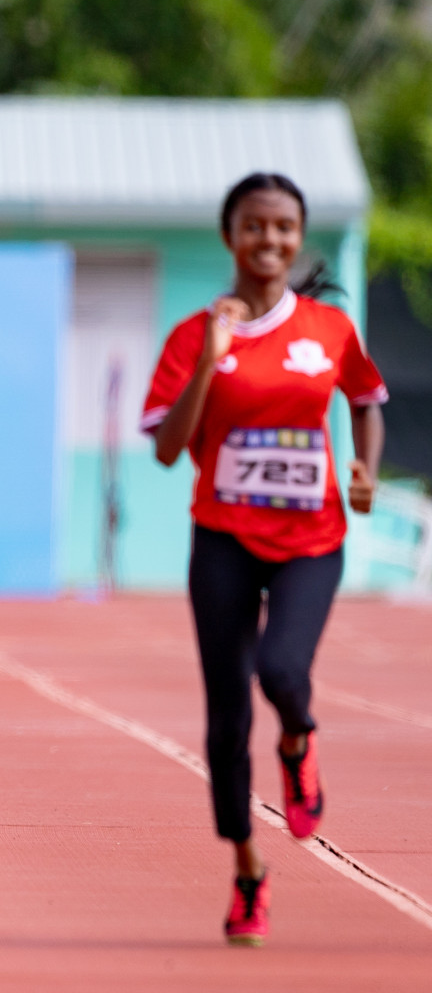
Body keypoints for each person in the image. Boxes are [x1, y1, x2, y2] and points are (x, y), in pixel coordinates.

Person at [142, 173, 387, 946]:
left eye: (284, 227)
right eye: (254, 226)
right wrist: (212, 360)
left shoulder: (329, 328)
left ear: (297, 236)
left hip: (311, 540)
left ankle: (298, 740)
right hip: (221, 540)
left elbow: (368, 397)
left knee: (282, 673)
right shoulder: (192, 335)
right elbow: (168, 450)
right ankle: (248, 872)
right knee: (225, 717)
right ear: (230, 236)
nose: (270, 240)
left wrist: (367, 467)